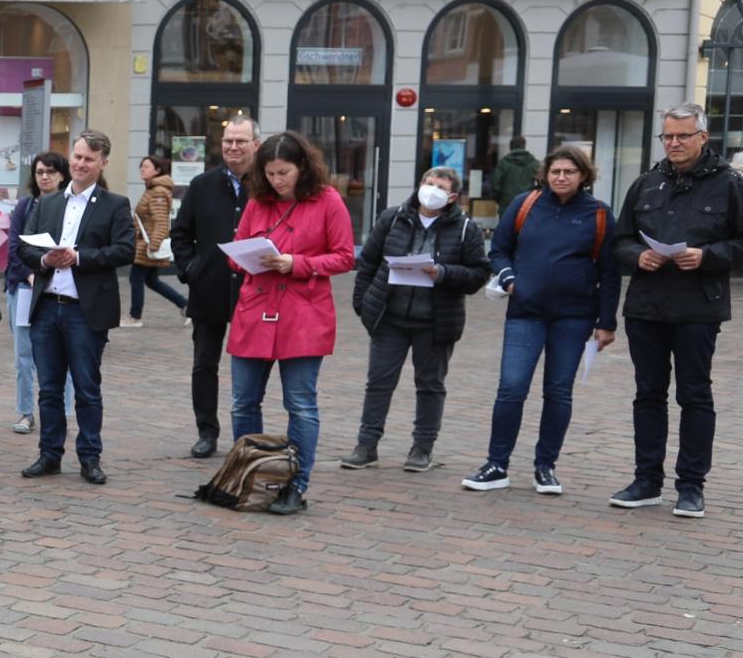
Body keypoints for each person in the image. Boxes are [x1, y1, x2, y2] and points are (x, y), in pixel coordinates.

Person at [606, 104, 743, 518]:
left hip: (698, 307)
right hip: (647, 307)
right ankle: (647, 479)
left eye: (683, 136)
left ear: (703, 137)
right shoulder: (646, 184)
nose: (674, 143)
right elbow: (620, 241)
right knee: (648, 394)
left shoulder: (730, 185)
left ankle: (691, 486)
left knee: (694, 394)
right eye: (667, 136)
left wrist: (707, 256)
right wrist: (638, 256)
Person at [464, 146, 622, 495]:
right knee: (511, 388)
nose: (561, 177)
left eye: (569, 172)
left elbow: (610, 272)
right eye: (555, 171)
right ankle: (496, 464)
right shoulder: (526, 204)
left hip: (575, 317)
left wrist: (606, 321)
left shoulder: (598, 214)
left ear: (584, 175)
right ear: (545, 174)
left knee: (558, 392)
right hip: (525, 313)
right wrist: (507, 277)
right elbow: (500, 248)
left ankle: (545, 467)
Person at [223, 130, 358, 515]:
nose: (276, 181)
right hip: (256, 310)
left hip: (303, 314)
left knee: (300, 403)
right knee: (242, 402)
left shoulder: (328, 200)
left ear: (302, 167)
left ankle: (295, 485)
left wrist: (296, 263)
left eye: (283, 172)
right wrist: (243, 257)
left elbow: (345, 257)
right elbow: (237, 251)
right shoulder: (258, 200)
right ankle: (250, 476)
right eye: (269, 173)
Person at [341, 167, 489, 473]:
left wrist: (444, 273)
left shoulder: (465, 229)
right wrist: (363, 304)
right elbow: (367, 261)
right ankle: (366, 446)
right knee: (379, 383)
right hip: (390, 317)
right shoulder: (393, 218)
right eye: (427, 183)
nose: (431, 189)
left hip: (435, 321)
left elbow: (478, 274)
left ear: (452, 196)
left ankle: (422, 448)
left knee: (430, 385)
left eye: (440, 186)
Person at [18, 131, 134, 485]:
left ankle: (89, 457)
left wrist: (79, 257)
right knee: (49, 388)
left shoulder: (115, 204)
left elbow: (125, 251)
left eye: (89, 159)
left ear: (103, 163)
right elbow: (24, 247)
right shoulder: (48, 202)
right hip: (46, 307)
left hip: (85, 311)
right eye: (78, 157)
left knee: (86, 387)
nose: (81, 164)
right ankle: (49, 454)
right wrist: (45, 260)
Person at [171, 115, 257, 458]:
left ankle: (246, 431)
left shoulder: (267, 186)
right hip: (208, 290)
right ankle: (206, 431)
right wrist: (190, 269)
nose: (233, 147)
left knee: (248, 366)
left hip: (253, 292)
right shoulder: (203, 184)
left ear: (256, 145)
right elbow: (181, 233)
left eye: (240, 141)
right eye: (227, 142)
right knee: (204, 365)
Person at [3, 152, 74, 435]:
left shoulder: (71, 206)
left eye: (51, 172)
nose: (45, 177)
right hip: (25, 286)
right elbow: (14, 248)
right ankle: (25, 412)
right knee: (24, 355)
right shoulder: (25, 205)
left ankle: (64, 411)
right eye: (40, 171)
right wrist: (32, 276)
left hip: (60, 287)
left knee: (64, 353)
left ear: (62, 175)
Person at [128, 152, 188, 325]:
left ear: (157, 170)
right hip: (145, 243)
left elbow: (160, 220)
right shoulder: (153, 189)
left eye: (146, 166)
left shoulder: (158, 191)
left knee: (136, 278)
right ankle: (186, 305)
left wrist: (154, 245)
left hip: (148, 245)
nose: (142, 169)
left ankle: (135, 317)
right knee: (152, 281)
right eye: (141, 166)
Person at [492, 134, 539, 207]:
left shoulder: (503, 163)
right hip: (526, 203)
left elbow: (495, 184)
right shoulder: (533, 163)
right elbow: (542, 182)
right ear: (524, 146)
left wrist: (498, 199)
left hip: (506, 203)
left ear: (510, 146)